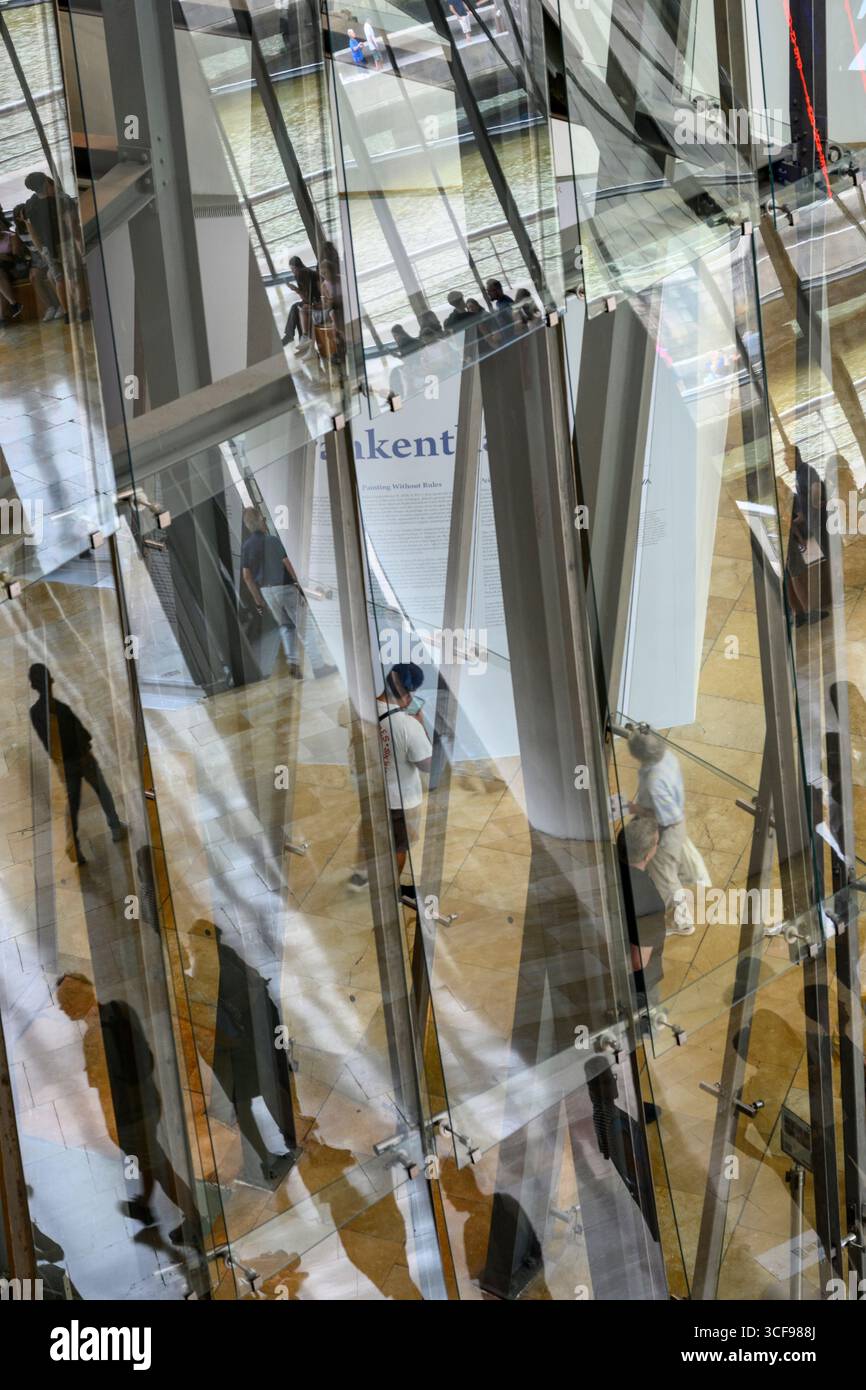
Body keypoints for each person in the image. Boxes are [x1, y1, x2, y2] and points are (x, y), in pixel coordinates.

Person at [55, 973, 201, 1247]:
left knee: (159, 1167)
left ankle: (194, 1221)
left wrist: (112, 1127)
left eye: (64, 1002)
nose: (61, 1009)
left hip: (130, 1116)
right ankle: (144, 1205)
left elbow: (104, 1089)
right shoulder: (120, 1009)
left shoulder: (94, 1037)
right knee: (149, 1158)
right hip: (148, 1102)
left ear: (76, 1002)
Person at [185, 921, 301, 1184]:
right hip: (239, 1042)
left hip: (235, 1044)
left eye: (193, 941)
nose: (190, 947)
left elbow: (219, 1006)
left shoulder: (211, 964)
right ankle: (271, 1154)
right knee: (252, 1098)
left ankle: (267, 1157)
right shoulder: (223, 954)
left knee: (245, 1102)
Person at [28, 663, 127, 865]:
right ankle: (116, 827)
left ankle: (74, 848)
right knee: (103, 791)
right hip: (81, 759)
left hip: (64, 765)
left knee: (72, 805)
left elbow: (48, 741)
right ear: (51, 681)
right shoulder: (62, 709)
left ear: (33, 686)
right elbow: (79, 734)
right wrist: (85, 751)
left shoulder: (35, 713)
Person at [241, 507, 336, 679]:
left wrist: (258, 600)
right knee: (305, 627)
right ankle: (318, 667)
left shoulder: (246, 547)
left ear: (248, 526)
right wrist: (299, 585)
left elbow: (247, 577)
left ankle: (293, 663)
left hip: (266, 592)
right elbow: (287, 563)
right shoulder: (272, 541)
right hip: (285, 588)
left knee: (286, 626)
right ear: (261, 520)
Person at [627, 728, 694, 934]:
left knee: (665, 877)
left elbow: (666, 816)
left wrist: (634, 809)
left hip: (665, 831)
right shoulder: (668, 757)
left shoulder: (655, 779)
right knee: (667, 871)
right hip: (674, 826)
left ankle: (682, 922)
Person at [378, 662, 432, 885]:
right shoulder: (408, 725)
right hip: (400, 800)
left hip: (374, 792)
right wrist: (420, 723)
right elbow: (428, 765)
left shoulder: (362, 709)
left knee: (380, 840)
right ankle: (391, 890)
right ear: (410, 693)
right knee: (399, 846)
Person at [617, 816, 667, 1011]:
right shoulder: (649, 900)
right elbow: (638, 961)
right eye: (656, 843)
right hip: (637, 988)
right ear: (647, 855)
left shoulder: (610, 866)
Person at [22, 172, 82, 322]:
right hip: (65, 243)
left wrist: (42, 250)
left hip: (47, 248)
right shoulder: (60, 200)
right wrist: (80, 245)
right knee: (73, 276)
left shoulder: (29, 206)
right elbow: (72, 226)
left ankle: (68, 314)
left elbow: (32, 233)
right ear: (45, 183)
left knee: (59, 279)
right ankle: (82, 310)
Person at [282, 255, 321, 347]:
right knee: (296, 308)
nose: (292, 272)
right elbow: (306, 298)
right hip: (315, 300)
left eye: (292, 270)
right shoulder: (307, 272)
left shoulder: (301, 274)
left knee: (297, 308)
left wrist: (296, 289)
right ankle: (298, 339)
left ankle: (292, 337)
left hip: (316, 302)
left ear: (296, 268)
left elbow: (307, 299)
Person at [0, 207, 28, 320]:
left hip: (11, 267)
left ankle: (13, 305)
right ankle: (4, 316)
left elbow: (16, 258)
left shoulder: (11, 236)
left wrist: (3, 257)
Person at [486, 277, 515, 343]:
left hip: (511, 340)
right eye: (487, 291)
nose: (488, 293)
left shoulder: (505, 304)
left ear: (497, 290)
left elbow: (516, 321)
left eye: (489, 291)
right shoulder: (500, 302)